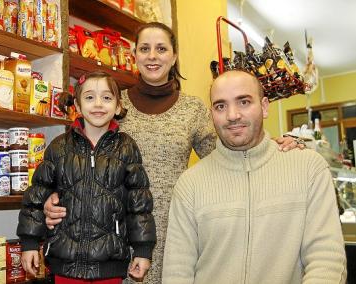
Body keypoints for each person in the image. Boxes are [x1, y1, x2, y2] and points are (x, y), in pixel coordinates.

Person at [43, 22, 303, 284]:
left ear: (174, 56)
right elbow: (76, 156)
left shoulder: (192, 110)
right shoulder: (110, 103)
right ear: (134, 55)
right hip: (111, 242)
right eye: (145, 48)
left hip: (177, 234)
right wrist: (54, 195)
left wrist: (271, 146)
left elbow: (229, 156)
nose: (152, 56)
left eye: (161, 48)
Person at [162, 70, 347, 284]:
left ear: (264, 106)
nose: (232, 115)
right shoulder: (190, 183)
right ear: (212, 113)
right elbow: (177, 270)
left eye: (244, 102)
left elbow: (326, 259)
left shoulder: (309, 168)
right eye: (220, 106)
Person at [17, 71, 156, 284]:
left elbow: (139, 204)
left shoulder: (127, 147)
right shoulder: (59, 146)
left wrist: (143, 251)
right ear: (78, 106)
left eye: (107, 97)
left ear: (118, 106)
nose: (98, 104)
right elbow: (36, 195)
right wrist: (29, 244)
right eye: (90, 97)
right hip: (64, 262)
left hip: (109, 263)